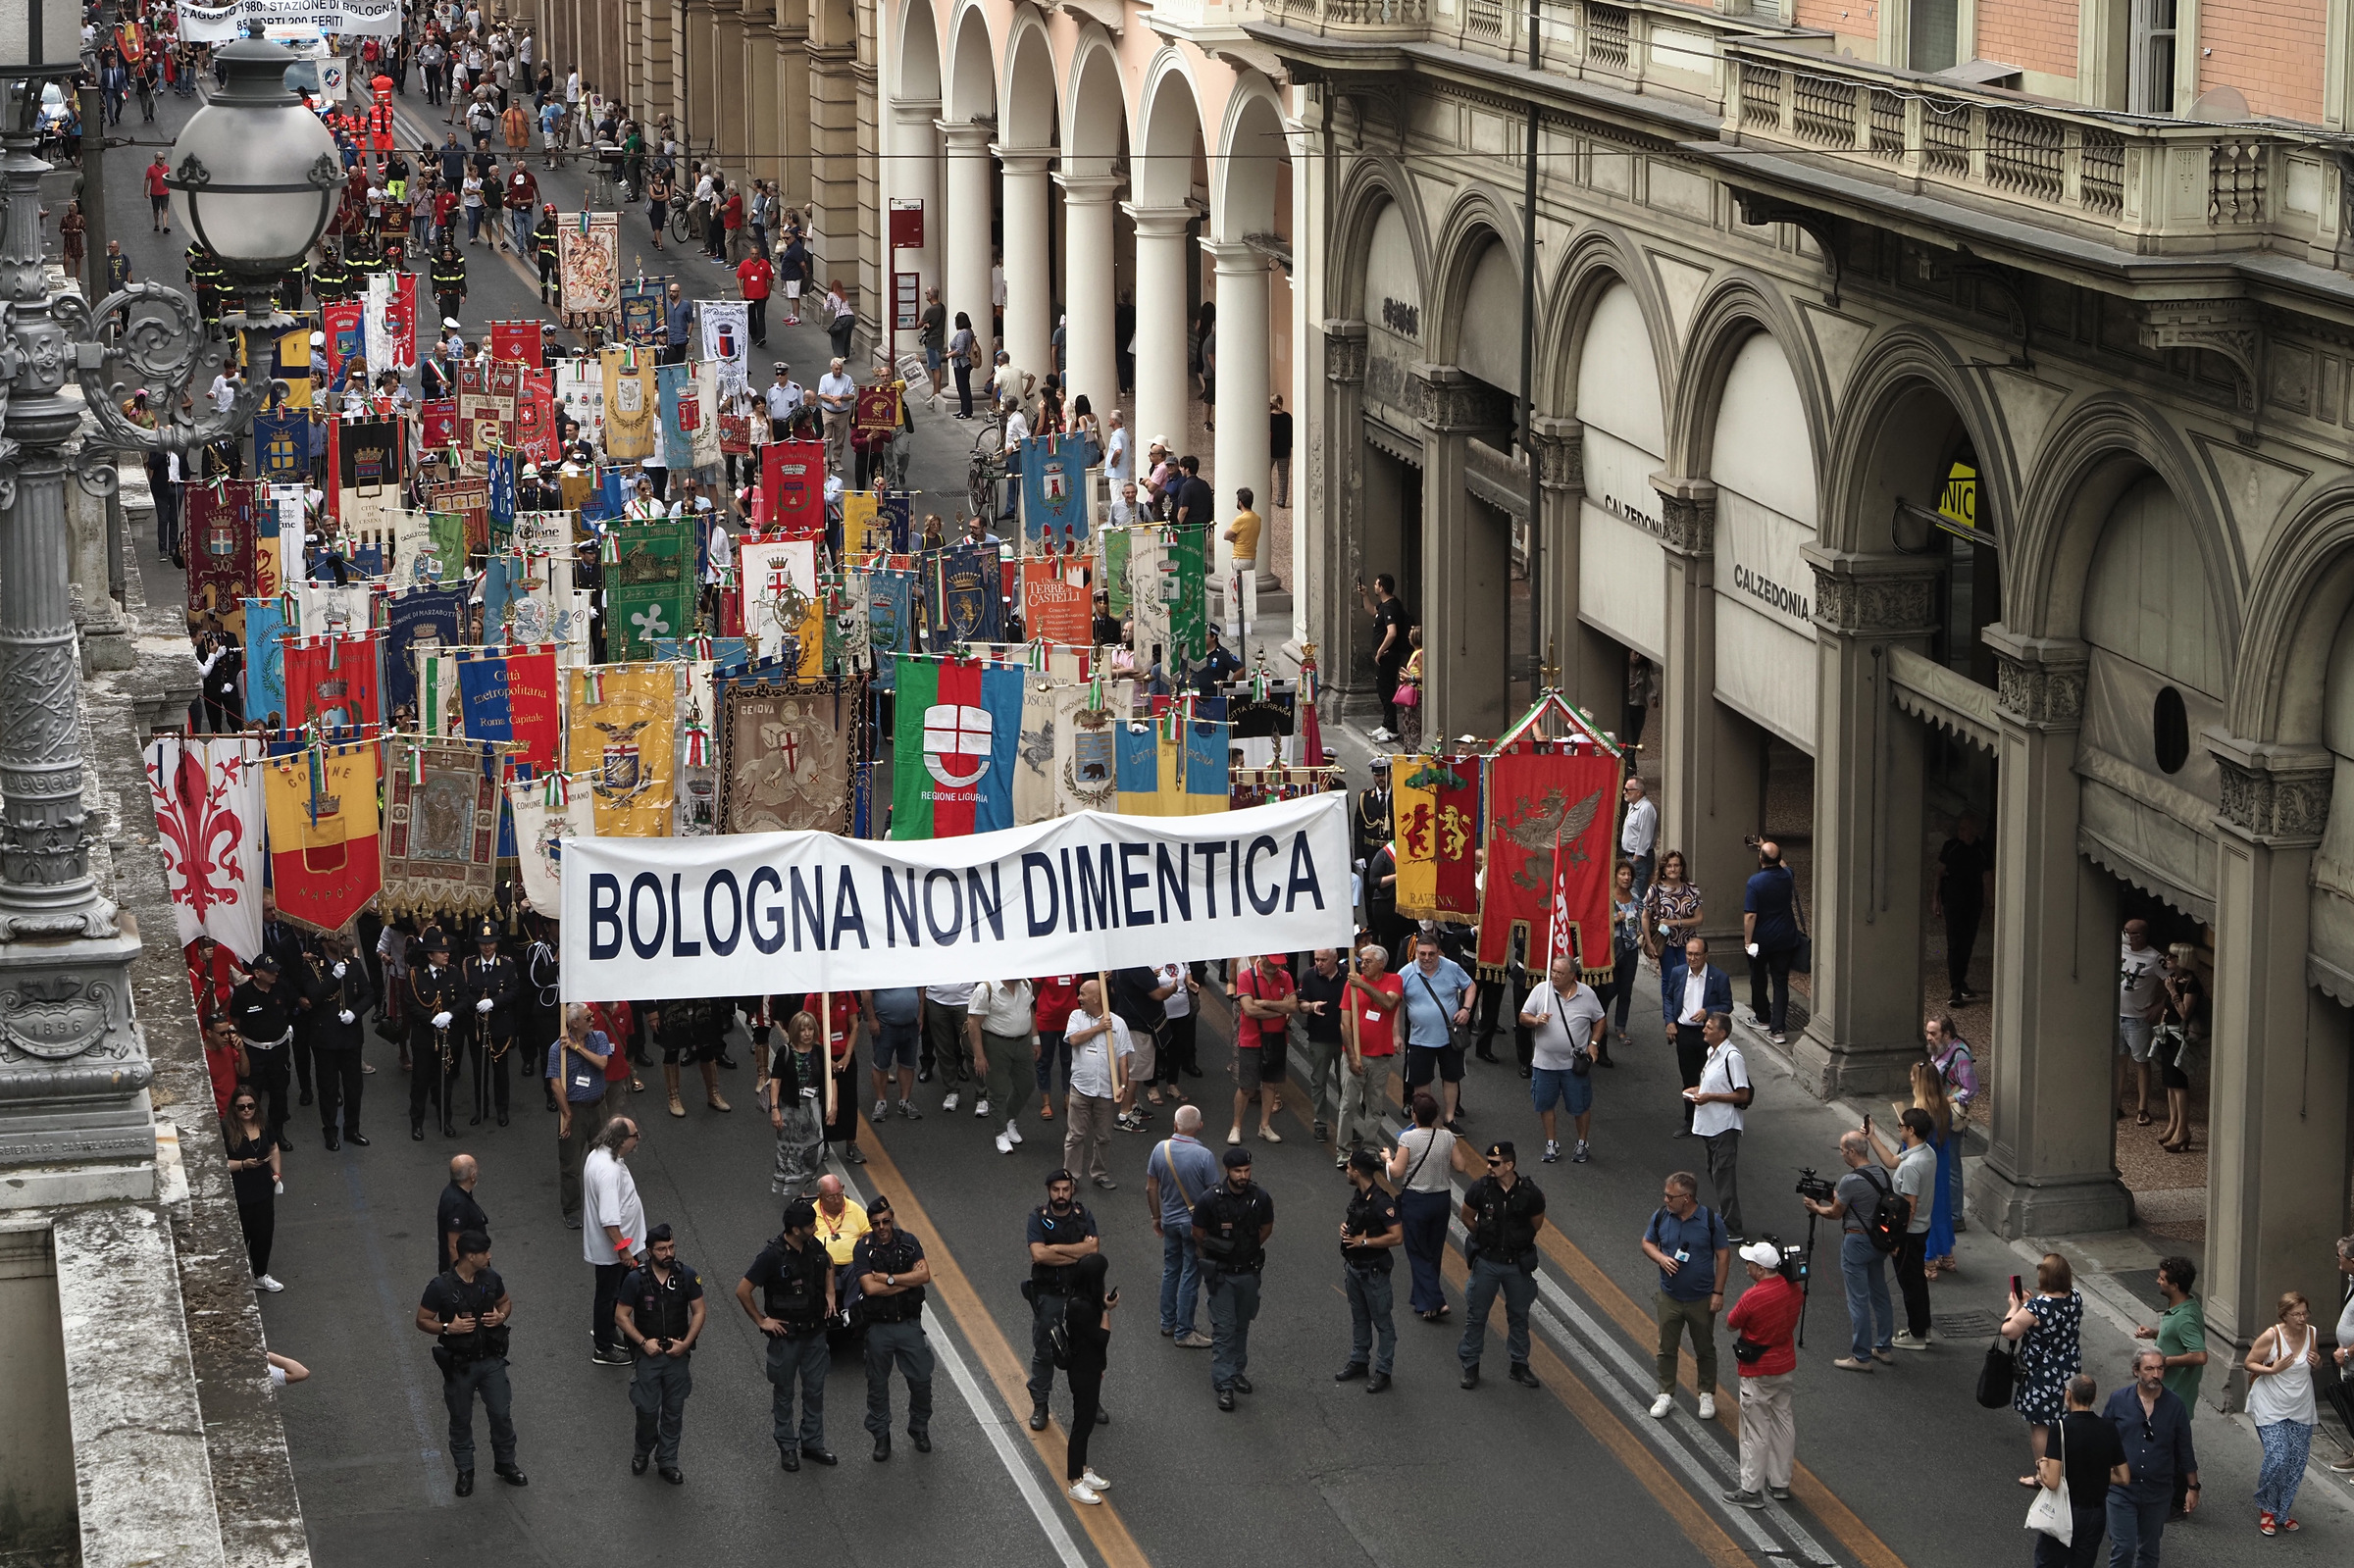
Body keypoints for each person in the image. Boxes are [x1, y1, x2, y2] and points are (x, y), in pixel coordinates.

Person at [417, 1231, 528, 1496]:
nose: (489, 1256)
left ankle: (505, 1463)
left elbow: (505, 1302)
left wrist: (501, 1316)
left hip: (491, 1360)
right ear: (470, 1256)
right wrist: (447, 1327)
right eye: (485, 1253)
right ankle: (465, 1470)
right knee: (461, 1418)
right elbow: (422, 1319)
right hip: (460, 1365)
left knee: (501, 1413)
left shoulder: (491, 1278)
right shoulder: (440, 1287)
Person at [737, 1200, 839, 1470]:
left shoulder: (812, 1245)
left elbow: (828, 1262)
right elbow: (743, 1290)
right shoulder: (771, 1256)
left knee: (814, 1391)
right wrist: (762, 1320)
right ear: (795, 1229)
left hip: (815, 1333)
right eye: (810, 1225)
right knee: (784, 1393)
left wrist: (830, 1293)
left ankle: (813, 1444)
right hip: (787, 1338)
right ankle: (787, 1446)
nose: (816, 1228)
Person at [613, 1222, 703, 1484]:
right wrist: (643, 1343)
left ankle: (668, 1460)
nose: (669, 1253)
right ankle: (642, 1451)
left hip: (677, 1356)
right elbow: (621, 1316)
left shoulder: (686, 1275)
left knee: (674, 1411)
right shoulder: (635, 1280)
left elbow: (699, 1311)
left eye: (671, 1247)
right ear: (649, 1251)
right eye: (662, 1249)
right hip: (648, 1357)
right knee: (647, 1410)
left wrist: (686, 1343)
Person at [1801, 1129, 1897, 1373]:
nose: (1842, 1154)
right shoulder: (1882, 1175)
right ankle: (1884, 1347)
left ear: (1852, 1151)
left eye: (1843, 1150)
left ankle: (1861, 1356)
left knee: (1858, 1300)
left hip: (1856, 1243)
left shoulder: (1851, 1180)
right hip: (1878, 1242)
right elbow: (1864, 1202)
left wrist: (1815, 1208)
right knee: (1880, 1294)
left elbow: (1835, 1213)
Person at [1718, 1239, 1804, 1508]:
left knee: (1754, 1429)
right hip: (1784, 1365)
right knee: (1782, 1422)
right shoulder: (1793, 1290)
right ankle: (1780, 1483)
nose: (1746, 1268)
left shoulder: (1753, 1296)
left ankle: (1751, 1490)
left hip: (1758, 1370)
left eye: (1749, 1264)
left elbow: (1732, 1323)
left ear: (1760, 1269)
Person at [1639, 1168, 1729, 1417]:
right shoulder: (1661, 1217)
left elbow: (1723, 1256)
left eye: (1670, 1197)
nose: (1665, 1200)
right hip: (1670, 1296)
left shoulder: (1711, 1221)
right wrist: (1660, 1258)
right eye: (1666, 1195)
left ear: (1686, 1199)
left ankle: (1706, 1394)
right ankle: (1665, 1393)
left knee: (1704, 1348)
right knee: (1666, 1347)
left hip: (1701, 1298)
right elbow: (1647, 1242)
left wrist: (1718, 1292)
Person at [1458, 1141, 1546, 1390]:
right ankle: (1470, 1366)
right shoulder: (1481, 1189)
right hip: (1487, 1262)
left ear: (1510, 1165)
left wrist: (1516, 1240)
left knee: (1519, 1315)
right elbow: (1467, 1215)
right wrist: (1485, 1236)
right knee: (1476, 1316)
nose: (1489, 1167)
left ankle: (1519, 1365)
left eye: (1494, 1163)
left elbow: (1536, 1223)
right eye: (1488, 1162)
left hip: (1516, 1265)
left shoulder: (1530, 1193)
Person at [1193, 1146, 1275, 1411]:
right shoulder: (1210, 1200)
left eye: (1247, 1170)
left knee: (1242, 1324)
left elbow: (1266, 1228)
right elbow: (1198, 1232)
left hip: (1249, 1272)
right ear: (1227, 1171)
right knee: (1225, 1329)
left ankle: (1237, 1370)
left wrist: (1245, 1250)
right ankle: (1224, 1384)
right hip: (1223, 1275)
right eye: (1238, 1171)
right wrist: (1222, 1251)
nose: (1243, 1175)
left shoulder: (1260, 1198)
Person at [853, 1194, 935, 1461]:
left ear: (892, 1218)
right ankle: (881, 1435)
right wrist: (905, 1283)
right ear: (870, 1224)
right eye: (875, 1223)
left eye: (886, 1221)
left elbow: (924, 1276)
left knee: (921, 1380)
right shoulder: (863, 1249)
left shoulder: (909, 1243)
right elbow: (869, 1288)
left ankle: (919, 1427)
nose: (882, 1228)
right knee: (877, 1384)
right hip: (879, 1329)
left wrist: (888, 1279)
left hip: (909, 1325)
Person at [2105, 1347, 2199, 1565]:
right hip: (2121, 1490)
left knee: (2149, 1550)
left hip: (2158, 1492)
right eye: (2149, 1369)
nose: (2156, 1374)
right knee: (2124, 1548)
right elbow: (2103, 1440)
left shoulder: (2175, 1405)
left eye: (2160, 1368)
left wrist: (2193, 1488)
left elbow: (2185, 1449)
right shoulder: (2119, 1400)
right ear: (2136, 1371)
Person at [1025, 1170, 1102, 1430]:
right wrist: (1076, 1254)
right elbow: (1039, 1256)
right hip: (1050, 1295)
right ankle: (1040, 1403)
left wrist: (1055, 1249)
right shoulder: (1038, 1218)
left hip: (1080, 1294)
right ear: (1049, 1191)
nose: (1061, 1195)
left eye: (1066, 1189)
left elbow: (1093, 1250)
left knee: (1087, 1352)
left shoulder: (1083, 1216)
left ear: (1072, 1190)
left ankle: (1091, 1401)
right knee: (1046, 1352)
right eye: (1056, 1190)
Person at [1389, 1090, 1471, 1320]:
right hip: (1441, 1200)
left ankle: (1436, 1300)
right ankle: (1423, 1301)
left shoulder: (1408, 1139)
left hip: (1416, 1201)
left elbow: (1396, 1171)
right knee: (1433, 1251)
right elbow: (1461, 1166)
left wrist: (1387, 1158)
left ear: (1414, 1115)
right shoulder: (1446, 1137)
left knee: (1417, 1251)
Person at [2005, 1252, 2086, 1484]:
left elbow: (2010, 1330)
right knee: (2062, 1418)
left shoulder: (2040, 1306)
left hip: (2042, 1371)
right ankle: (2065, 1466)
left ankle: (2044, 1475)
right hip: (2068, 1366)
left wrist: (2015, 1307)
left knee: (2040, 1423)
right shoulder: (2075, 1297)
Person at [2246, 1290, 2322, 1534]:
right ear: (2284, 1315)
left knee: (2295, 1462)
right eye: (2296, 1314)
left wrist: (2317, 1362)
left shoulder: (2312, 1332)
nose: (2302, 1318)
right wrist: (2273, 1369)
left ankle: (2282, 1510)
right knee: (2278, 1456)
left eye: (2304, 1312)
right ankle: (2266, 1508)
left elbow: (2315, 1364)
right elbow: (2249, 1362)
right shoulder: (2272, 1335)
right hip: (2270, 1404)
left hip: (2300, 1405)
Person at [2035, 1374, 2130, 1567]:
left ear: (2068, 1395)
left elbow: (2052, 1481)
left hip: (2064, 1510)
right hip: (2095, 1514)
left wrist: (2042, 1465)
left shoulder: (2060, 1428)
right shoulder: (2108, 1428)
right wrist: (2097, 1473)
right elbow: (2124, 1477)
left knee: (2048, 1561)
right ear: (2094, 1398)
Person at [1520, 953, 1604, 1165]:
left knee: (1580, 1105)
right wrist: (1535, 1020)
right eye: (1553, 971)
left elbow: (1600, 1019)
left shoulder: (1587, 995)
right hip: (1544, 1063)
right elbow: (1523, 1016)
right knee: (1545, 1104)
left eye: (1560, 973)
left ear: (1572, 976)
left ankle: (1582, 1142)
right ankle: (1551, 1142)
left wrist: (1593, 1044)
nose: (1555, 976)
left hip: (1573, 1065)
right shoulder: (1541, 990)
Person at [1146, 1104, 1218, 1345]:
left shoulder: (1160, 1149)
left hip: (1170, 1221)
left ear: (1175, 1125)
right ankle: (1184, 1331)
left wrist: (1157, 1217)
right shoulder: (1204, 1156)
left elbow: (1151, 1187)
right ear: (1200, 1126)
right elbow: (1213, 1195)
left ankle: (1168, 1323)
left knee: (1170, 1270)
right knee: (1190, 1274)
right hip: (1194, 1225)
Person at [1337, 1147, 1403, 1392]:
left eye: (1349, 1167)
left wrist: (1364, 1243)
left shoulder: (1382, 1202)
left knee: (1382, 1322)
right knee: (1359, 1318)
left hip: (1374, 1272)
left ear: (1357, 1171)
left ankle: (1383, 1370)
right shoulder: (1359, 1195)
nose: (1346, 1170)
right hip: (1355, 1267)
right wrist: (1346, 1229)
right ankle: (1359, 1360)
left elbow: (1397, 1237)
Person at [583, 1116, 646, 1366]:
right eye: (634, 1135)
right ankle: (603, 1347)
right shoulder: (608, 1171)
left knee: (611, 1293)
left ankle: (607, 1331)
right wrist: (625, 1252)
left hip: (616, 1248)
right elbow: (609, 1220)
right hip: (615, 1251)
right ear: (621, 1140)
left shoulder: (600, 1155)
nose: (637, 1139)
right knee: (610, 1295)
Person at [1399, 932, 1475, 1130]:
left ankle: (1449, 1118)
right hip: (1419, 1039)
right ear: (1416, 953)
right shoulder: (1406, 973)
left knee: (1451, 1078)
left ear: (1439, 952)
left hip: (1449, 1038)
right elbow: (1393, 1005)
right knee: (1421, 1082)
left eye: (1431, 954)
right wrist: (1395, 1035)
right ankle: (1427, 1120)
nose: (1426, 958)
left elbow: (1471, 986)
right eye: (1422, 954)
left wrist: (1466, 1009)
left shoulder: (1452, 968)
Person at [1062, 979, 1133, 1188]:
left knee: (1104, 1136)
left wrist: (1123, 1086)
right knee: (1075, 1135)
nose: (1079, 998)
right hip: (1080, 1087)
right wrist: (1099, 1028)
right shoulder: (1076, 1016)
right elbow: (1073, 1040)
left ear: (1096, 997)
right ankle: (1071, 1178)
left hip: (1106, 1090)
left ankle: (1100, 1173)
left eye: (1083, 994)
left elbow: (1123, 1058)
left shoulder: (1118, 1023)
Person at [306, 930, 373, 1149]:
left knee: (354, 1086)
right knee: (328, 1087)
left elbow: (368, 994)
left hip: (350, 1036)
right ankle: (330, 1131)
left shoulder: (352, 964)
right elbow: (313, 997)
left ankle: (352, 1129)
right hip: (325, 1037)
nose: (342, 941)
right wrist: (334, 977)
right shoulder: (313, 967)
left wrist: (354, 1012)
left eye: (343, 938)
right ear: (325, 943)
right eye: (337, 938)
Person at [1685, 1012, 1751, 1234]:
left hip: (1724, 1127)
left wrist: (1710, 1097)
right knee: (1714, 1172)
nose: (1704, 1029)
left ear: (1722, 1033)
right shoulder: (1712, 1052)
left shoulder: (1732, 1057)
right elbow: (1716, 1084)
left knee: (1723, 1176)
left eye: (1709, 1027)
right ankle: (1726, 1216)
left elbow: (1743, 1094)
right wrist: (1699, 1090)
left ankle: (1733, 1227)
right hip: (1710, 1125)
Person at [1061, 1253, 1118, 1504]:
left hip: (1091, 1367)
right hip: (1082, 1371)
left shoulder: (1086, 1300)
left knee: (1086, 1424)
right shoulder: (1079, 1306)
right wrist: (1106, 1310)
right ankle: (1075, 1480)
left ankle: (1083, 1469)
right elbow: (1102, 1338)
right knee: (1081, 1424)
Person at [1661, 936, 1732, 1136]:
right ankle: (1690, 1121)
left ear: (1706, 955)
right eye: (1689, 954)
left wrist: (1707, 1012)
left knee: (1709, 1077)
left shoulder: (1719, 977)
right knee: (1688, 1078)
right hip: (1684, 1033)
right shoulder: (1678, 973)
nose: (1692, 959)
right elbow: (1668, 997)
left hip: (1707, 1036)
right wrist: (1670, 1022)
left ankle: (1712, 1120)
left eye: (1697, 955)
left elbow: (1727, 1005)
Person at [1339, 943, 1403, 1161]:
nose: (1363, 965)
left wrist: (1363, 986)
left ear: (1381, 963)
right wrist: (1351, 1056)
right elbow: (1345, 1024)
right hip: (1355, 1055)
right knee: (1348, 1105)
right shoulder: (1351, 985)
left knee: (1375, 1107)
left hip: (1380, 1059)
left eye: (1368, 961)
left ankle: (1370, 1149)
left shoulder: (1394, 980)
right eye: (1361, 961)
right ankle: (1344, 1151)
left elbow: (1388, 1002)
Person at [229, 954, 298, 1152]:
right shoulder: (243, 994)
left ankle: (277, 1134)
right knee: (252, 1095)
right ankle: (253, 1135)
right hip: (254, 1052)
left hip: (278, 1050)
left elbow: (287, 1009)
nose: (275, 973)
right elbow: (236, 1019)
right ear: (257, 973)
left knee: (279, 1093)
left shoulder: (282, 987)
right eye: (270, 971)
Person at [1231, 952, 1300, 1143]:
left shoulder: (1285, 977)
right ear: (1263, 957)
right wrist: (1280, 1010)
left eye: (1280, 964)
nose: (1277, 967)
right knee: (1246, 1086)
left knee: (1270, 1084)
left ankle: (1265, 1126)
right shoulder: (1245, 977)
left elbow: (1293, 1006)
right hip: (1251, 1039)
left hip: (1277, 1039)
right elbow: (1249, 1009)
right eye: (1273, 962)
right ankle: (1236, 1126)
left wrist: (1266, 1004)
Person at [459, 917, 519, 1127]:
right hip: (476, 1026)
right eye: (483, 942)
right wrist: (476, 1004)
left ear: (497, 942)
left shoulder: (507, 965)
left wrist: (493, 1002)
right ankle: (480, 1109)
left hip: (499, 1024)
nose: (487, 946)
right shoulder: (469, 964)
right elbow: (464, 991)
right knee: (479, 1070)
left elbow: (513, 991)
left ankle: (502, 1110)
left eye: (491, 942)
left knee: (501, 1071)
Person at [1741, 840, 1803, 1045]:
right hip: (1785, 937)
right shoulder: (1787, 876)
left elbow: (1750, 915)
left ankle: (1763, 1017)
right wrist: (1764, 845)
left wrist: (1747, 941)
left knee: (1758, 978)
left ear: (1760, 859)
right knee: (1780, 982)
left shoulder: (1755, 882)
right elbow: (1784, 866)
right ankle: (1778, 1029)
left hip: (1761, 940)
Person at [224, 1088, 283, 1291]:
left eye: (250, 1106)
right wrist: (242, 1164)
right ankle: (236, 1278)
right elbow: (218, 1162)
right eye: (241, 1107)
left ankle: (260, 1275)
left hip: (263, 1190)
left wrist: (276, 1174)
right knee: (241, 1237)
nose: (246, 1110)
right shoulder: (225, 1129)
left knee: (263, 1235)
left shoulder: (264, 1124)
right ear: (234, 1108)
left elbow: (274, 1147)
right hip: (239, 1193)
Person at [968, 977, 1037, 1152]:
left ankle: (1008, 1119)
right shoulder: (986, 989)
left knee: (1027, 1083)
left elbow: (1030, 1010)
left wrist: (1035, 1039)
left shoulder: (1026, 984)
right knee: (997, 1089)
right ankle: (1000, 1133)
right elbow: (973, 1022)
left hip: (1022, 1042)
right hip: (996, 1044)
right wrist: (979, 1055)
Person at [1932, 812, 1992, 1005]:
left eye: (1966, 829)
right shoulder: (1951, 847)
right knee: (1954, 943)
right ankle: (1955, 986)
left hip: (1973, 902)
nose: (1962, 832)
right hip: (1953, 901)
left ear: (1975, 830)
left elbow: (1987, 877)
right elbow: (1939, 873)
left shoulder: (1982, 849)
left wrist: (1992, 902)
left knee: (1967, 943)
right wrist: (1936, 899)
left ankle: (1962, 980)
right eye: (1960, 829)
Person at [408, 931, 461, 1139]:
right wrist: (431, 1019)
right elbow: (411, 1004)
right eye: (441, 951)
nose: (446, 955)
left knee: (445, 1081)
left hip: (447, 1037)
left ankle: (445, 1120)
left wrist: (450, 1013)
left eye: (447, 951)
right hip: (424, 1037)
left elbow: (463, 999)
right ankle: (417, 1123)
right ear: (430, 955)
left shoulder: (454, 974)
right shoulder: (416, 975)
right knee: (420, 1080)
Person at [1295, 949, 1350, 1145]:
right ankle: (1320, 1123)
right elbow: (1301, 1004)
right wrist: (1311, 1007)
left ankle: (1349, 1124)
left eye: (1323, 960)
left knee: (1347, 1084)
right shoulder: (1310, 976)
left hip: (1345, 1040)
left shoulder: (1349, 975)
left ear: (1335, 958)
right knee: (1319, 1082)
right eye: (1317, 959)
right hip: (1319, 1039)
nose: (1319, 963)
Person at [2116, 918, 2166, 1128]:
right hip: (2117, 1015)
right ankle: (2116, 1104)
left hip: (2138, 1019)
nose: (2128, 936)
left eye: (2132, 933)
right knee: (2119, 1061)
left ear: (2142, 935)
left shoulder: (2154, 958)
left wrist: (2159, 1006)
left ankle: (2142, 1107)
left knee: (2141, 1062)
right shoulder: (2120, 948)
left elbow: (2172, 982)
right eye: (2125, 931)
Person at [2155, 947, 2204, 1152]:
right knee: (2169, 1083)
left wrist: (2173, 992)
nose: (2167, 959)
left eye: (2172, 956)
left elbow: (2184, 1013)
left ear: (2183, 959)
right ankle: (2172, 1124)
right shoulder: (2174, 979)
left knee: (2179, 1083)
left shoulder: (2191, 984)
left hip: (2180, 1037)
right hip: (2167, 1034)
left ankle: (2183, 1129)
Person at [1363, 575, 1407, 740]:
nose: (1374, 586)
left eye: (1376, 584)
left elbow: (1392, 632)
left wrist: (1380, 651)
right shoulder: (1385, 605)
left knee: (1387, 691)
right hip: (1384, 656)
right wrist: (1365, 596)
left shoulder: (1390, 608)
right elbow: (1372, 611)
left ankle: (1392, 729)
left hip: (1388, 657)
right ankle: (1386, 724)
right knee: (1382, 690)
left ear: (1381, 588)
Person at [437, 1153, 489, 1276]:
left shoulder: (455, 1192)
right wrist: (460, 1279)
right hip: (469, 1270)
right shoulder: (457, 1204)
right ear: (472, 1176)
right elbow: (453, 1246)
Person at [1619, 776, 1658, 898]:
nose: (1624, 792)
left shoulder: (1645, 809)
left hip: (1640, 859)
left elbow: (1645, 836)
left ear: (1639, 792)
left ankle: (1640, 918)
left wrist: (1637, 857)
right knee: (1631, 893)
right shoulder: (1633, 805)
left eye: (1628, 789)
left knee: (1638, 894)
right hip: (1630, 856)